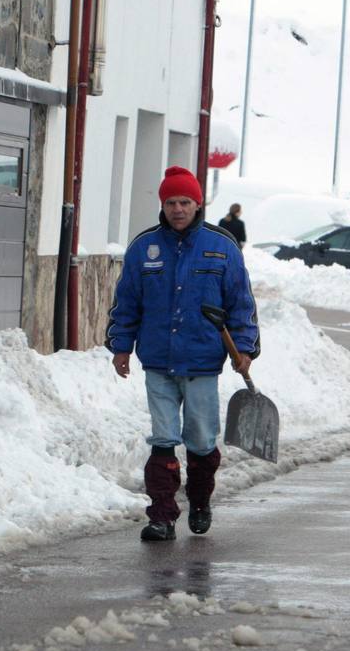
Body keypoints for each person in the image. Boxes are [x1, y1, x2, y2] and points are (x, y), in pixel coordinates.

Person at [107, 166, 260, 542]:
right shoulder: (144, 248)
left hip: (203, 362)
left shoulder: (222, 246)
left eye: (185, 202)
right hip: (158, 360)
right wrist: (121, 346)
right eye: (171, 202)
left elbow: (241, 303)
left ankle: (200, 500)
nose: (177, 209)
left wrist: (245, 348)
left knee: (202, 439)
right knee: (163, 437)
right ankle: (161, 514)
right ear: (163, 204)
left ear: (198, 204)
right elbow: (127, 302)